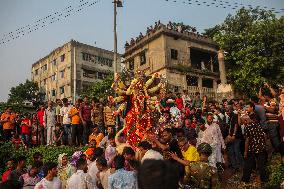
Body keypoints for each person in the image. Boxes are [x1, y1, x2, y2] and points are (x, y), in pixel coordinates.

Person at [241, 114, 268, 184]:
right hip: (261, 147)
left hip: (252, 148)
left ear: (245, 120)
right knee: (261, 164)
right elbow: (264, 135)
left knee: (248, 164)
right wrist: (264, 144)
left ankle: (245, 179)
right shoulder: (258, 124)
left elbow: (247, 140)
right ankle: (264, 179)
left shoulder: (247, 127)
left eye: (243, 122)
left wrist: (245, 151)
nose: (243, 123)